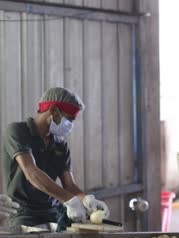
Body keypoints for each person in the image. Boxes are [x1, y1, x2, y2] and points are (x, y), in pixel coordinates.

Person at [2, 87, 109, 227]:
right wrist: (69, 200)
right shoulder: (17, 131)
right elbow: (31, 173)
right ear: (53, 111)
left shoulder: (60, 144)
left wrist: (87, 200)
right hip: (23, 213)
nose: (70, 124)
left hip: (54, 211)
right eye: (69, 118)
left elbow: (69, 184)